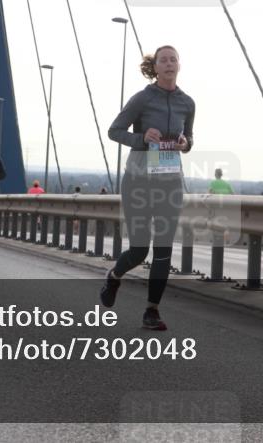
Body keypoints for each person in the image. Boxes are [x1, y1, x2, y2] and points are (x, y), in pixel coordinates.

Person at [100, 45, 195, 331]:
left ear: (179, 65)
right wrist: (142, 138)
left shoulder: (187, 103)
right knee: (140, 250)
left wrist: (184, 144)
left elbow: (189, 138)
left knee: (163, 249)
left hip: (170, 183)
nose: (168, 63)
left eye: (172, 59)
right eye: (163, 60)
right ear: (155, 68)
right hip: (138, 181)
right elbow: (114, 130)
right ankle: (115, 276)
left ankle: (151, 311)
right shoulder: (142, 99)